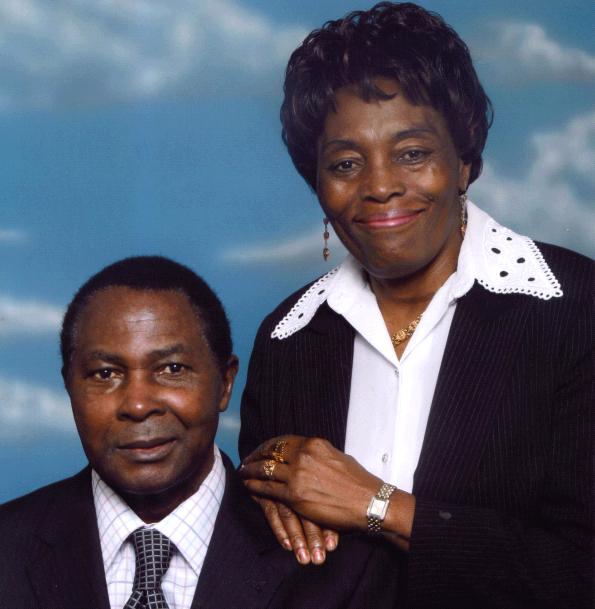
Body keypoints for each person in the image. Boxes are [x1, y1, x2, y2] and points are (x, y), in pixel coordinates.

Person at [238, 3, 595, 608]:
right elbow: (262, 558)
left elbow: (581, 569)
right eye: (345, 164)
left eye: (411, 153)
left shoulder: (576, 310)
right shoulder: (288, 338)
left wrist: (377, 505)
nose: (380, 186)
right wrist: (265, 478)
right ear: (316, 183)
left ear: (465, 161)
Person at [0, 256, 401, 609]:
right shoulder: (8, 547)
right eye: (105, 374)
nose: (138, 405)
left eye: (172, 369)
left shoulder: (342, 568)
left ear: (225, 383)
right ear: (69, 386)